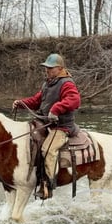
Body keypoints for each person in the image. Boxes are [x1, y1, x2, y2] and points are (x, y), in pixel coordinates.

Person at [13, 53, 81, 200]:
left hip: (61, 126)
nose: (47, 70)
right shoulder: (48, 83)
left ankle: (48, 186)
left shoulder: (67, 83)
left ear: (60, 68)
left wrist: (56, 109)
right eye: (46, 68)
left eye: (50, 68)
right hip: (45, 122)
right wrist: (21, 103)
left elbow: (74, 100)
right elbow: (36, 101)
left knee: (48, 150)